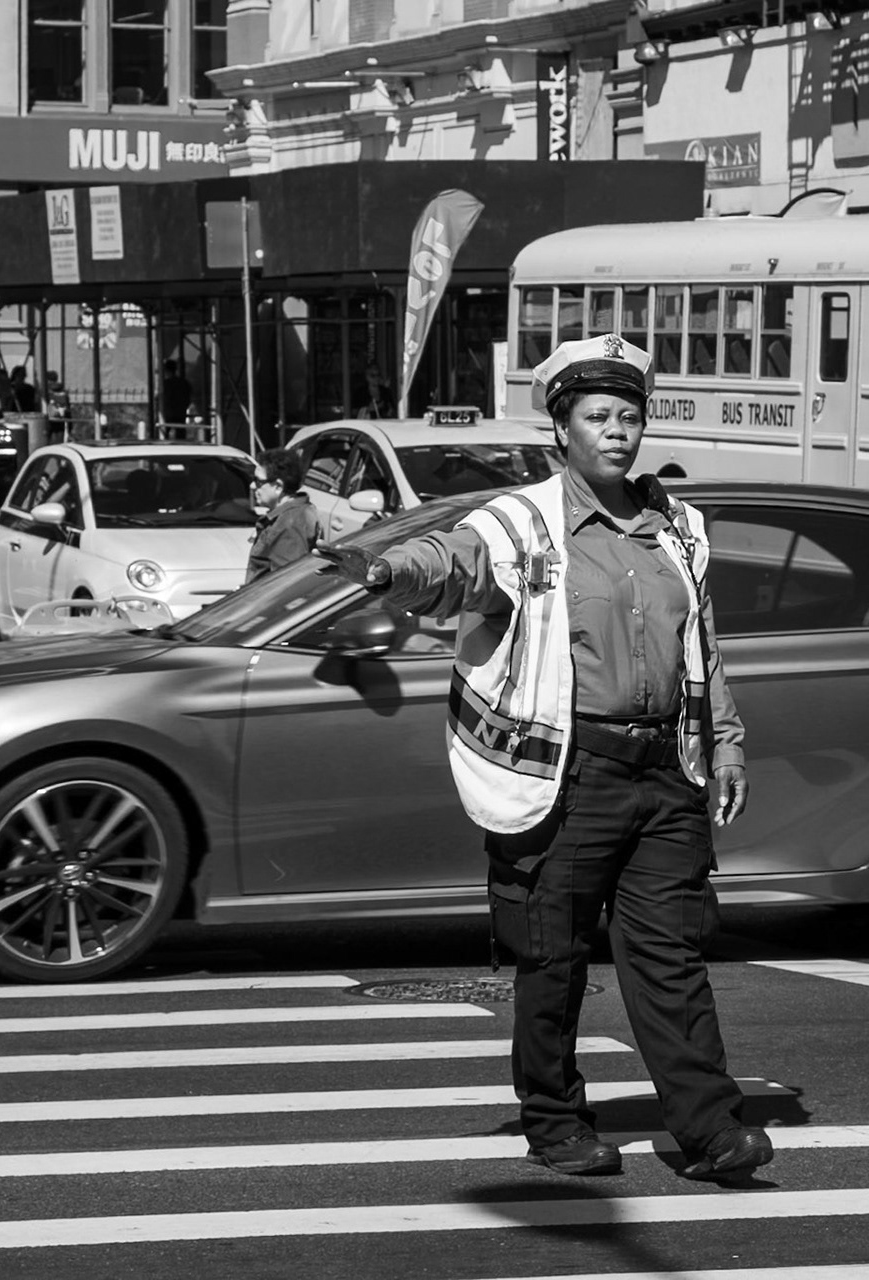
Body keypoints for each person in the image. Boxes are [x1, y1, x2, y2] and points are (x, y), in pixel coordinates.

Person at [314, 334, 767, 1184]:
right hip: (565, 775)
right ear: (562, 429)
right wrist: (386, 568)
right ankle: (556, 1124)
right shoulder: (518, 523)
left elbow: (703, 650)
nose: (618, 432)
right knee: (553, 960)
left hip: (665, 770)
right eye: (598, 417)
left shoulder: (679, 528)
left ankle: (711, 1132)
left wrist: (728, 745)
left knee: (670, 957)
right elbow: (451, 565)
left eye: (630, 416)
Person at [245, 450, 319, 583]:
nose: (252, 486)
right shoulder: (286, 517)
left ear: (278, 486)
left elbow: (287, 584)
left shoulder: (289, 524)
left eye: (258, 481)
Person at [160, 359, 194, 425]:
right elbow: (189, 398)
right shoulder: (184, 383)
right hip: (181, 414)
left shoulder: (165, 384)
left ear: (166, 371)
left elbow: (165, 399)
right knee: (180, 429)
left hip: (168, 416)